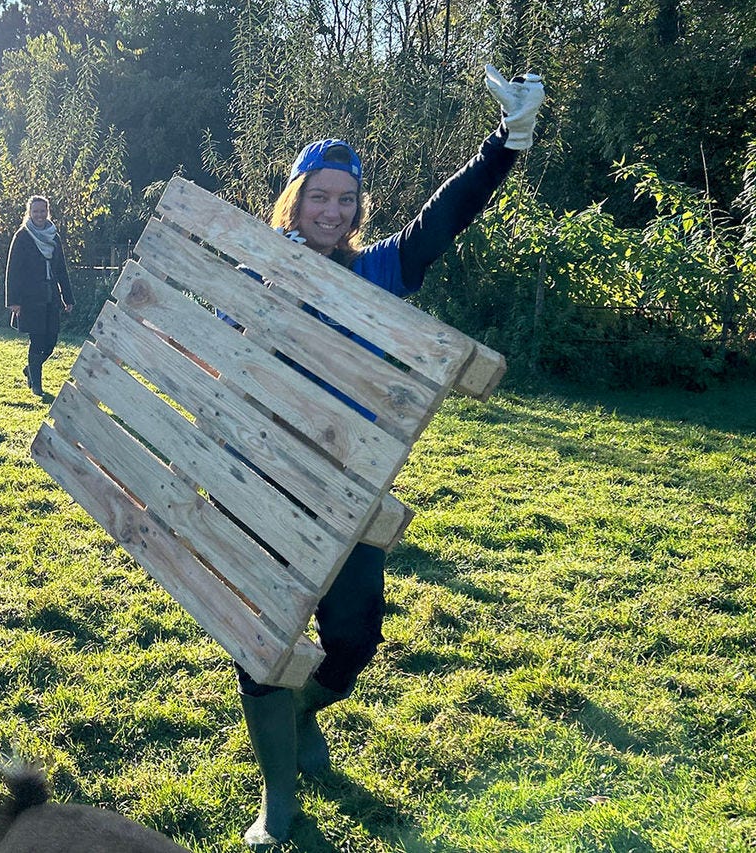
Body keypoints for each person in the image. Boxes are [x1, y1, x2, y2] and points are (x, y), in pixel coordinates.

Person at [236, 65, 546, 846]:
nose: (332, 211)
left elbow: (444, 220)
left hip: (350, 485)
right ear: (294, 200)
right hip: (263, 477)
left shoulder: (378, 271)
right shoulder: (256, 263)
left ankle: (302, 710)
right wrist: (268, 278)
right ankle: (278, 799)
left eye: (346, 200)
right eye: (319, 196)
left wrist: (505, 144)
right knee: (263, 637)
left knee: (354, 638)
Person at [4, 195, 74, 398]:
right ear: (30, 213)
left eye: (43, 211)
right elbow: (13, 270)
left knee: (51, 342)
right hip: (30, 299)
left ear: (47, 212)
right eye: (35, 211)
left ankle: (30, 369)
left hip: (51, 296)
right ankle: (37, 386)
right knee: (37, 340)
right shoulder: (22, 236)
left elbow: (61, 269)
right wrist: (14, 301)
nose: (39, 215)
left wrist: (68, 298)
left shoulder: (54, 236)